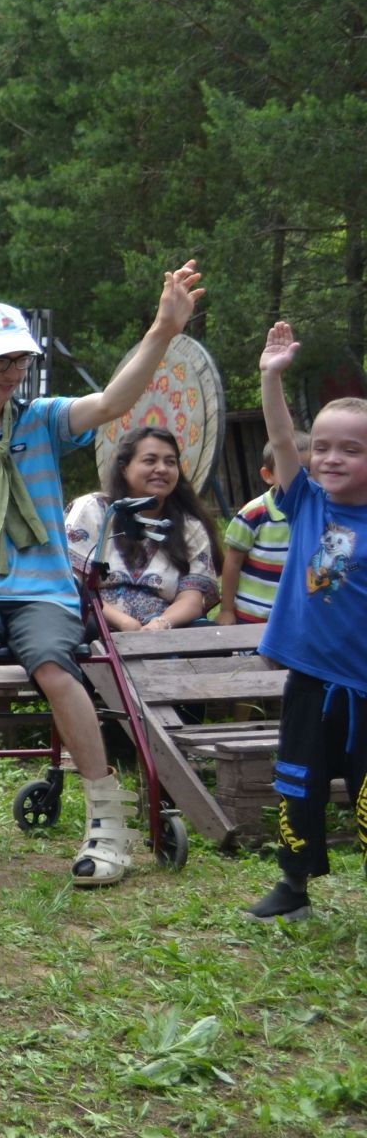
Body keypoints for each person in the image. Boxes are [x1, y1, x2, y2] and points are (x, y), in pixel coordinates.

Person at [0, 266, 203, 887]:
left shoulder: (41, 419)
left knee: (55, 667)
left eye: (20, 361)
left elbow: (114, 402)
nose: (12, 373)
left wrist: (162, 331)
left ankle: (107, 823)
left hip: (41, 586)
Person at [243, 324, 367, 921]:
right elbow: (281, 440)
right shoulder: (307, 500)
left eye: (351, 449)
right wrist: (271, 375)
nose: (331, 458)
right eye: (323, 447)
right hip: (311, 681)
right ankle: (294, 886)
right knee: (298, 781)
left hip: (364, 688)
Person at [66, 426, 222, 631]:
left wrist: (160, 624)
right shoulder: (93, 510)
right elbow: (72, 583)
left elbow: (191, 599)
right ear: (124, 468)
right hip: (96, 622)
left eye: (170, 462)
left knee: (206, 633)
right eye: (150, 460)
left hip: (165, 631)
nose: (162, 469)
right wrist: (124, 622)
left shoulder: (190, 527)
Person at [221, 432, 306, 624]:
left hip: (298, 617)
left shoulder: (316, 513)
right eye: (290, 471)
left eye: (309, 471)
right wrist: (226, 609)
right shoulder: (255, 513)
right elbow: (233, 562)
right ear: (268, 475)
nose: (302, 479)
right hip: (253, 616)